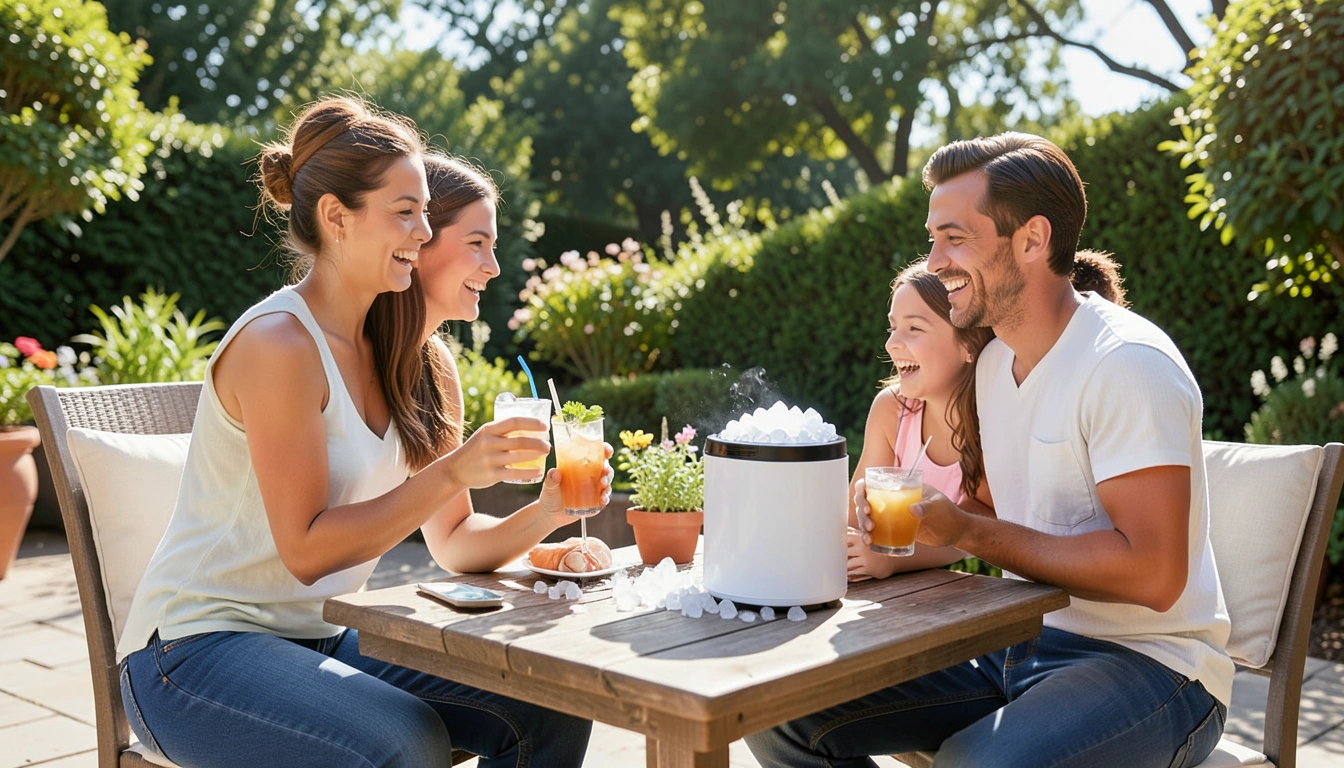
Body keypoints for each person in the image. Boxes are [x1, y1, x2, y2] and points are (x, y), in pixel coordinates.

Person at [116, 97, 593, 768]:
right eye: (405, 213)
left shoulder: (413, 360)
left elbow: (451, 541)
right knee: (404, 740)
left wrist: (544, 505)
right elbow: (306, 551)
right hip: (193, 655)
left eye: (427, 213)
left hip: (322, 636)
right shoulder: (280, 345)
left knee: (547, 702)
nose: (424, 234)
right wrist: (454, 471)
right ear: (337, 217)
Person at [749, 132, 1231, 767]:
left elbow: (1155, 575)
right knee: (781, 710)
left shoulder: (1127, 366)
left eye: (956, 237)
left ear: (1032, 240)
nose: (935, 259)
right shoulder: (997, 364)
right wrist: (916, 534)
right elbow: (978, 506)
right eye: (932, 238)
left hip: (1154, 666)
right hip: (1020, 638)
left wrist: (970, 534)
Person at [369, 150, 616, 572]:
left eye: (493, 246)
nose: (495, 267)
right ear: (418, 241)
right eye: (476, 243)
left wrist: (548, 514)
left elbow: (452, 541)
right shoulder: (348, 349)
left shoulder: (433, 369)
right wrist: (454, 471)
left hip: (338, 621)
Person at [845, 250, 1127, 582]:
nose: (892, 343)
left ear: (968, 345)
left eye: (914, 329)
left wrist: (891, 561)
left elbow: (976, 532)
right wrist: (864, 522)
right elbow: (852, 521)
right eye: (892, 328)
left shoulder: (990, 423)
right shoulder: (892, 411)